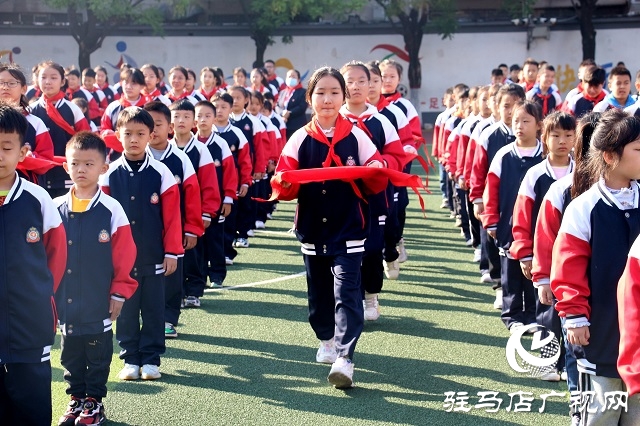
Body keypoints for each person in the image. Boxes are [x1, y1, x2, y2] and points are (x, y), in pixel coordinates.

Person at [271, 66, 387, 389]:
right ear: (309, 98)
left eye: (335, 92)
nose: (327, 99)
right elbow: (284, 177)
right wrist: (284, 182)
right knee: (319, 293)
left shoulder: (357, 134)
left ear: (343, 97)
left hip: (349, 228)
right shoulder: (299, 138)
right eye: (320, 93)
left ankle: (345, 357)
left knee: (347, 291)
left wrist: (376, 169)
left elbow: (376, 164)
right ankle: (326, 338)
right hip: (312, 231)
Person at [551, 109, 640, 424]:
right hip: (600, 331)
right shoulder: (584, 207)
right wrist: (575, 316)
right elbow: (568, 266)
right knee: (600, 413)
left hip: (637, 336)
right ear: (611, 156)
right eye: (639, 150)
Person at [54, 131, 138, 426]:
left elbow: (125, 254)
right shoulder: (53, 208)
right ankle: (76, 398)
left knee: (98, 352)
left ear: (104, 168)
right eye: (75, 163)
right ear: (66, 166)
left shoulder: (111, 209)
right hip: (64, 299)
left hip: (98, 297)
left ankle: (94, 402)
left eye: (90, 164)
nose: (81, 170)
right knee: (70, 354)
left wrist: (119, 292)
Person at [99, 106, 183, 381]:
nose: (134, 139)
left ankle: (151, 359)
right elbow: (101, 217)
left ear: (152, 135)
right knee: (125, 309)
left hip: (154, 256)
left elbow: (172, 217)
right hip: (120, 261)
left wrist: (172, 252)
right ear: (117, 136)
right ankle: (130, 358)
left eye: (140, 133)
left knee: (153, 309)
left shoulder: (162, 173)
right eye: (128, 134)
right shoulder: (109, 174)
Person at [531, 112, 600, 425]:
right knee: (576, 352)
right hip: (572, 289)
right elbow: (546, 239)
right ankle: (579, 405)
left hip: (614, 290)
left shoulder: (632, 190)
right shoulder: (563, 190)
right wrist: (543, 277)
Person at [0, 102, 66, 426]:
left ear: (23, 151)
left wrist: (40, 294)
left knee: (31, 401)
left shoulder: (37, 198)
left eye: (6, 147)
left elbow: (56, 253)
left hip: (30, 321)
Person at [511, 111, 576, 381]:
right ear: (544, 138)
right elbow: (522, 216)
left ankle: (568, 364)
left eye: (569, 135)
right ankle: (547, 362)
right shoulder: (535, 175)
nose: (562, 141)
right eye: (556, 135)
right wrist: (524, 252)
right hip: (544, 255)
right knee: (547, 309)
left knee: (572, 308)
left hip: (573, 254)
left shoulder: (583, 173)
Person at [339, 61, 405, 320]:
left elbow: (396, 156)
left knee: (372, 248)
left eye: (361, 81)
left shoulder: (381, 121)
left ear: (371, 85)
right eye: (349, 81)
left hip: (375, 198)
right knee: (343, 251)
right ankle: (347, 300)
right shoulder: (333, 119)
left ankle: (371, 297)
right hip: (341, 200)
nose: (355, 86)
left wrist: (382, 164)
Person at [482, 100, 544, 333]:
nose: (519, 126)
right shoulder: (503, 155)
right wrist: (491, 219)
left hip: (538, 227)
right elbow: (492, 188)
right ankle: (512, 317)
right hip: (509, 227)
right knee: (511, 275)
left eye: (526, 121)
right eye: (516, 121)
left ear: (539, 125)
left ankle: (533, 316)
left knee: (535, 273)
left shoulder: (545, 155)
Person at [143, 101, 203, 338]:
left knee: (171, 276)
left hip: (174, 230)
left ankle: (169, 318)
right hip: (142, 232)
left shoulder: (181, 159)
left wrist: (192, 229)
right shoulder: (134, 157)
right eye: (147, 125)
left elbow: (192, 196)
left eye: (158, 124)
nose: (153, 130)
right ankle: (144, 316)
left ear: (169, 127)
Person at [471, 84, 526, 304]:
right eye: (506, 106)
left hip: (524, 203)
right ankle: (499, 286)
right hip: (496, 201)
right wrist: (477, 199)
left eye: (516, 106)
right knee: (494, 242)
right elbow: (478, 169)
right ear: (497, 107)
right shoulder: (489, 135)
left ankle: (523, 291)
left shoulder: (534, 134)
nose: (511, 111)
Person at [169, 99, 220, 307]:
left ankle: (195, 290)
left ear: (194, 122)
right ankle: (178, 292)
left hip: (194, 213)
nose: (181, 120)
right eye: (177, 117)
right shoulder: (167, 149)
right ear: (170, 123)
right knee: (175, 254)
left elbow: (209, 184)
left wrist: (206, 212)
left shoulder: (200, 150)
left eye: (186, 117)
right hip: (170, 214)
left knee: (194, 254)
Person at [30, 60, 91, 197]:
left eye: (53, 78)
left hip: (68, 173)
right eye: (43, 77)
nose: (48, 82)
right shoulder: (31, 111)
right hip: (39, 175)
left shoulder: (73, 109)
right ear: (37, 80)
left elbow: (87, 140)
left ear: (63, 81)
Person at [195, 100, 238, 288]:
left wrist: (228, 197)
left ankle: (218, 274)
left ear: (214, 118)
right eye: (199, 116)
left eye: (207, 116)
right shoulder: (189, 144)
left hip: (217, 203)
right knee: (198, 242)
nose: (203, 120)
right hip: (194, 204)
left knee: (215, 240)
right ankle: (200, 274)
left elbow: (230, 173)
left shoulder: (221, 144)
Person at [211, 92, 251, 265]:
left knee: (228, 220)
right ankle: (209, 254)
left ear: (230, 109)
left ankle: (227, 252)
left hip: (229, 185)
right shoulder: (202, 133)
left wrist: (245, 182)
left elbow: (245, 161)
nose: (219, 111)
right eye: (216, 107)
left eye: (223, 107)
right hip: (207, 186)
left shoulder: (237, 133)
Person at [0, 63, 54, 185]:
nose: (5, 87)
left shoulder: (36, 123)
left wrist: (30, 157)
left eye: (12, 83)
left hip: (25, 187)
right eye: (1, 82)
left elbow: (46, 160)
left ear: (24, 88)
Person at [228, 85, 267, 248]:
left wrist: (259, 169)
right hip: (226, 173)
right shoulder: (223, 120)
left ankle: (243, 235)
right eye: (232, 98)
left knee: (245, 204)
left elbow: (260, 147)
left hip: (246, 171)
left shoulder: (253, 122)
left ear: (246, 101)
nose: (235, 101)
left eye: (238, 98)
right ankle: (228, 239)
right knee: (230, 206)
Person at [277, 69, 308, 140]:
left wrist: (289, 113)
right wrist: (282, 113)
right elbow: (277, 106)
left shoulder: (303, 92)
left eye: (293, 76)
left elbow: (302, 107)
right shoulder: (282, 92)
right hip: (283, 124)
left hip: (297, 124)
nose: (291, 78)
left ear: (299, 79)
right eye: (289, 76)